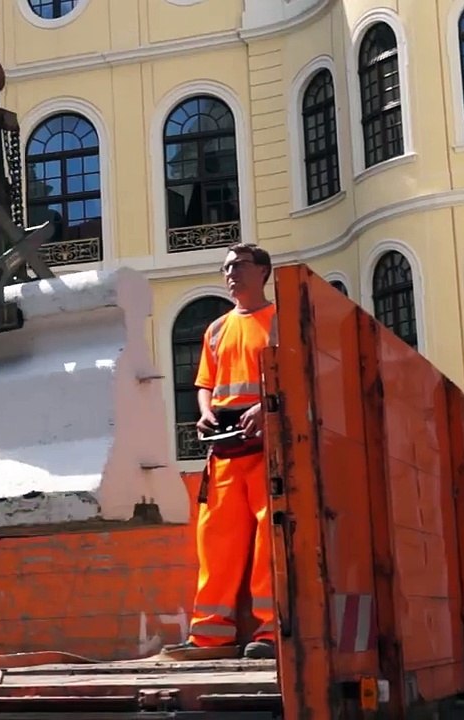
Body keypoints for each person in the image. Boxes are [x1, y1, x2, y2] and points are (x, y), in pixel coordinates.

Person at [183, 242, 278, 659]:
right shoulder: (217, 329)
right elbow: (206, 383)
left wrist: (264, 406)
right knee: (215, 541)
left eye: (238, 265)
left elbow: (292, 372)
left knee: (269, 540)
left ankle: (271, 632)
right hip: (224, 447)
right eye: (225, 268)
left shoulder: (281, 321)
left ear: (263, 271)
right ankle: (209, 635)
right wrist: (205, 412)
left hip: (267, 446)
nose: (230, 274)